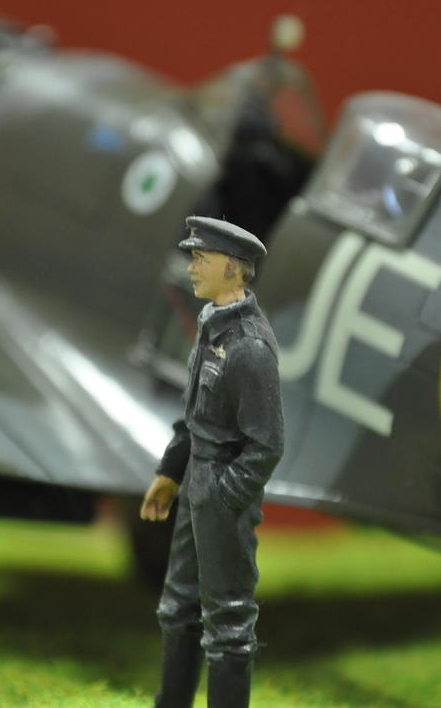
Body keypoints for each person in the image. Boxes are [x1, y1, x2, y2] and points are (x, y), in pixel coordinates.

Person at [140, 216, 284, 708]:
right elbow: (193, 415)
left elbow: (267, 444)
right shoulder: (211, 328)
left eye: (201, 258)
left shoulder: (249, 346)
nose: (192, 267)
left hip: (220, 491)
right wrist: (170, 472)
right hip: (195, 486)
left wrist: (225, 497)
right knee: (177, 607)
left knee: (228, 623)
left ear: (231, 267)